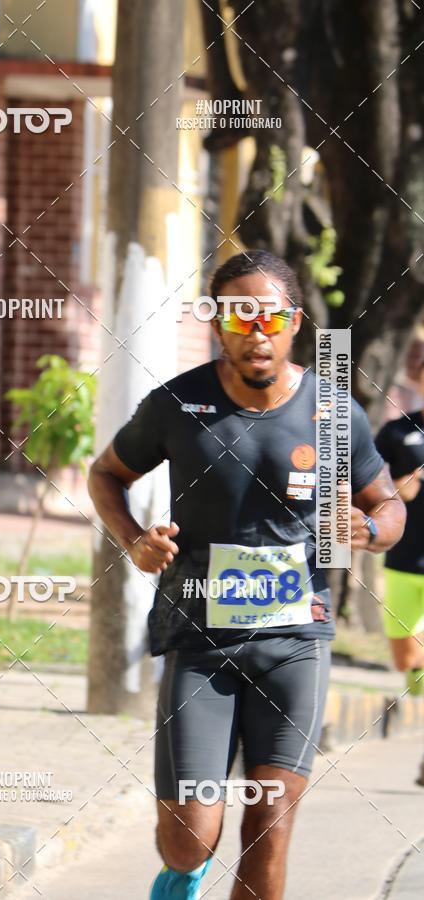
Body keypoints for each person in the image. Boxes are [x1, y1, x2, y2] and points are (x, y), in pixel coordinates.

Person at [88, 249, 405, 900]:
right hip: (200, 642)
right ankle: (185, 872)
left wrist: (369, 532)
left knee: (270, 826)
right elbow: (106, 474)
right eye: (240, 317)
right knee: (188, 836)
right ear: (217, 323)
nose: (256, 332)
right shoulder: (178, 405)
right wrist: (133, 541)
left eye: (270, 318)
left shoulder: (335, 413)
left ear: (294, 323)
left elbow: (388, 503)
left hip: (296, 642)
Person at [375, 361, 424, 786]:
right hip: (404, 560)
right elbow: (363, 480)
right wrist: (397, 487)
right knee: (406, 658)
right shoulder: (396, 433)